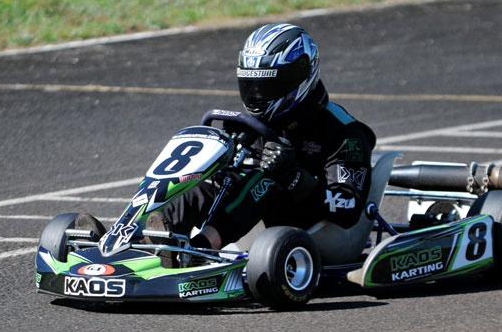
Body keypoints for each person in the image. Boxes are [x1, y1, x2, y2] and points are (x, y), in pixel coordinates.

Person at [151, 23, 376, 257]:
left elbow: (348, 207)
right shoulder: (257, 125)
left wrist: (295, 177)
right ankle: (146, 242)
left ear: (298, 78)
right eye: (252, 86)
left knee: (263, 183)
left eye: (267, 86)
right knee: (197, 190)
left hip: (317, 231)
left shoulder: (345, 133)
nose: (257, 96)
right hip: (259, 222)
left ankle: (199, 251)